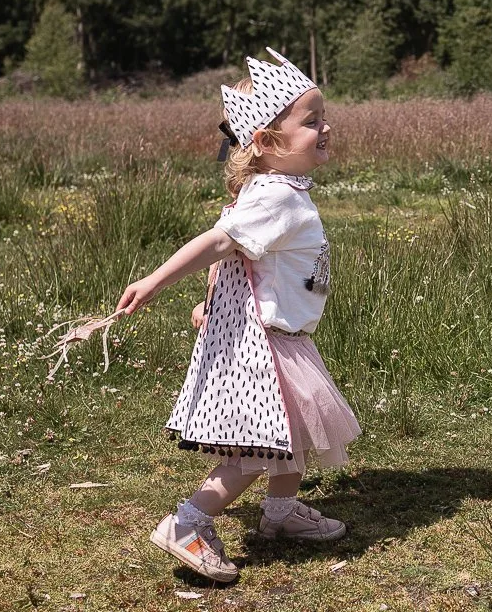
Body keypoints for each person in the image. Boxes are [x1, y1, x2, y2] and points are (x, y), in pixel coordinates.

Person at [116, 50, 360, 583]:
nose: (326, 127)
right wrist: (156, 281)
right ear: (269, 142)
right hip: (268, 343)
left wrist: (211, 300)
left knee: (289, 432)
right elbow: (220, 240)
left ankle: (280, 513)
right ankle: (189, 522)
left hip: (280, 333)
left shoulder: (269, 191)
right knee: (256, 449)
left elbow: (236, 255)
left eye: (323, 117)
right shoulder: (279, 197)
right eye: (311, 121)